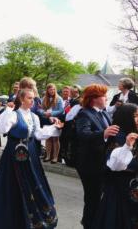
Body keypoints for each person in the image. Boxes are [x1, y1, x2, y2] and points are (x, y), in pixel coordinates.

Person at [0, 89, 61, 229]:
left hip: (30, 151)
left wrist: (54, 127)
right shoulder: (13, 115)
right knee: (13, 184)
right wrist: (7, 112)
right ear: (22, 99)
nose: (33, 101)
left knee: (33, 181)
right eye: (30, 98)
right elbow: (2, 129)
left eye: (33, 98)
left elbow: (38, 134)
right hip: (14, 154)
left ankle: (35, 218)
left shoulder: (34, 116)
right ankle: (12, 219)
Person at [75, 84, 120, 229]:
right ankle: (88, 224)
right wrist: (103, 133)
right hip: (90, 164)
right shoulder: (84, 113)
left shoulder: (104, 112)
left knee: (99, 198)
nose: (106, 98)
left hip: (102, 162)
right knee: (92, 198)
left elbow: (111, 133)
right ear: (94, 99)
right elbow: (83, 134)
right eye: (103, 96)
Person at [92, 103, 138, 229]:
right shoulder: (118, 135)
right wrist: (127, 146)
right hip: (120, 189)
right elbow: (115, 166)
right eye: (135, 116)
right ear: (126, 117)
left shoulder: (134, 132)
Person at [39, 83, 64, 164]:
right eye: (50, 89)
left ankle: (55, 157)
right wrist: (44, 113)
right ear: (47, 90)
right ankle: (48, 156)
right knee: (48, 138)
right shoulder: (44, 98)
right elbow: (40, 109)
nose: (52, 91)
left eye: (53, 89)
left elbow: (61, 110)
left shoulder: (59, 99)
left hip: (55, 120)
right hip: (46, 120)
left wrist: (51, 113)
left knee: (55, 139)